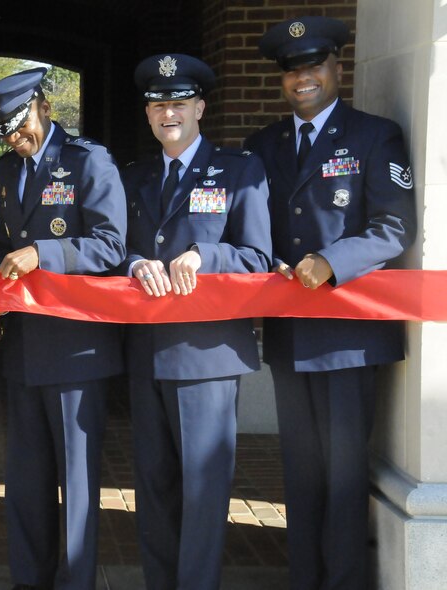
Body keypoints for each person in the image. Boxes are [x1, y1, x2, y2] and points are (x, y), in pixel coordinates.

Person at [245, 16, 416, 590]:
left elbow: (395, 226)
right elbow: (252, 225)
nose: (303, 79)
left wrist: (332, 260)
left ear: (337, 67)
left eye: (314, 66)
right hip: (292, 333)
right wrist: (259, 258)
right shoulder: (264, 145)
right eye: (292, 71)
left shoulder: (375, 135)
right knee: (300, 474)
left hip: (349, 336)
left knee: (344, 477)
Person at [0, 67, 127, 590]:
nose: (16, 140)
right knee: (26, 480)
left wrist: (44, 253)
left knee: (76, 482)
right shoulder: (4, 169)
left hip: (76, 349)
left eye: (21, 126)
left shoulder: (88, 160)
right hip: (22, 348)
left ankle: (76, 581)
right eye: (6, 133)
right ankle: (29, 579)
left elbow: (111, 247)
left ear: (45, 108)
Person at [121, 55, 272, 590]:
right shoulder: (133, 176)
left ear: (200, 107)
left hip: (207, 355)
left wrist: (206, 255)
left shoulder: (239, 170)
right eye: (158, 103)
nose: (168, 112)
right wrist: (135, 261)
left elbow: (257, 257)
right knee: (155, 487)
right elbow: (116, 248)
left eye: (179, 102)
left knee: (204, 491)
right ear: (148, 114)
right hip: (147, 352)